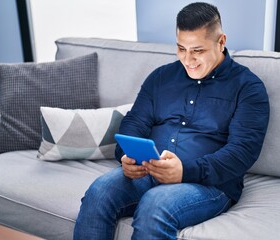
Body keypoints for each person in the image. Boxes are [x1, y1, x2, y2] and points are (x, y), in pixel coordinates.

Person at [73, 2, 269, 239]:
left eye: (197, 50)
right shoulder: (161, 77)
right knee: (99, 191)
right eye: (181, 49)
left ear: (221, 41)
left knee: (155, 204)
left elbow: (242, 153)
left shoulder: (248, 88)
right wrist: (126, 156)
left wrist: (184, 171)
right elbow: (134, 123)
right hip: (148, 171)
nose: (188, 60)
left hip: (210, 185)